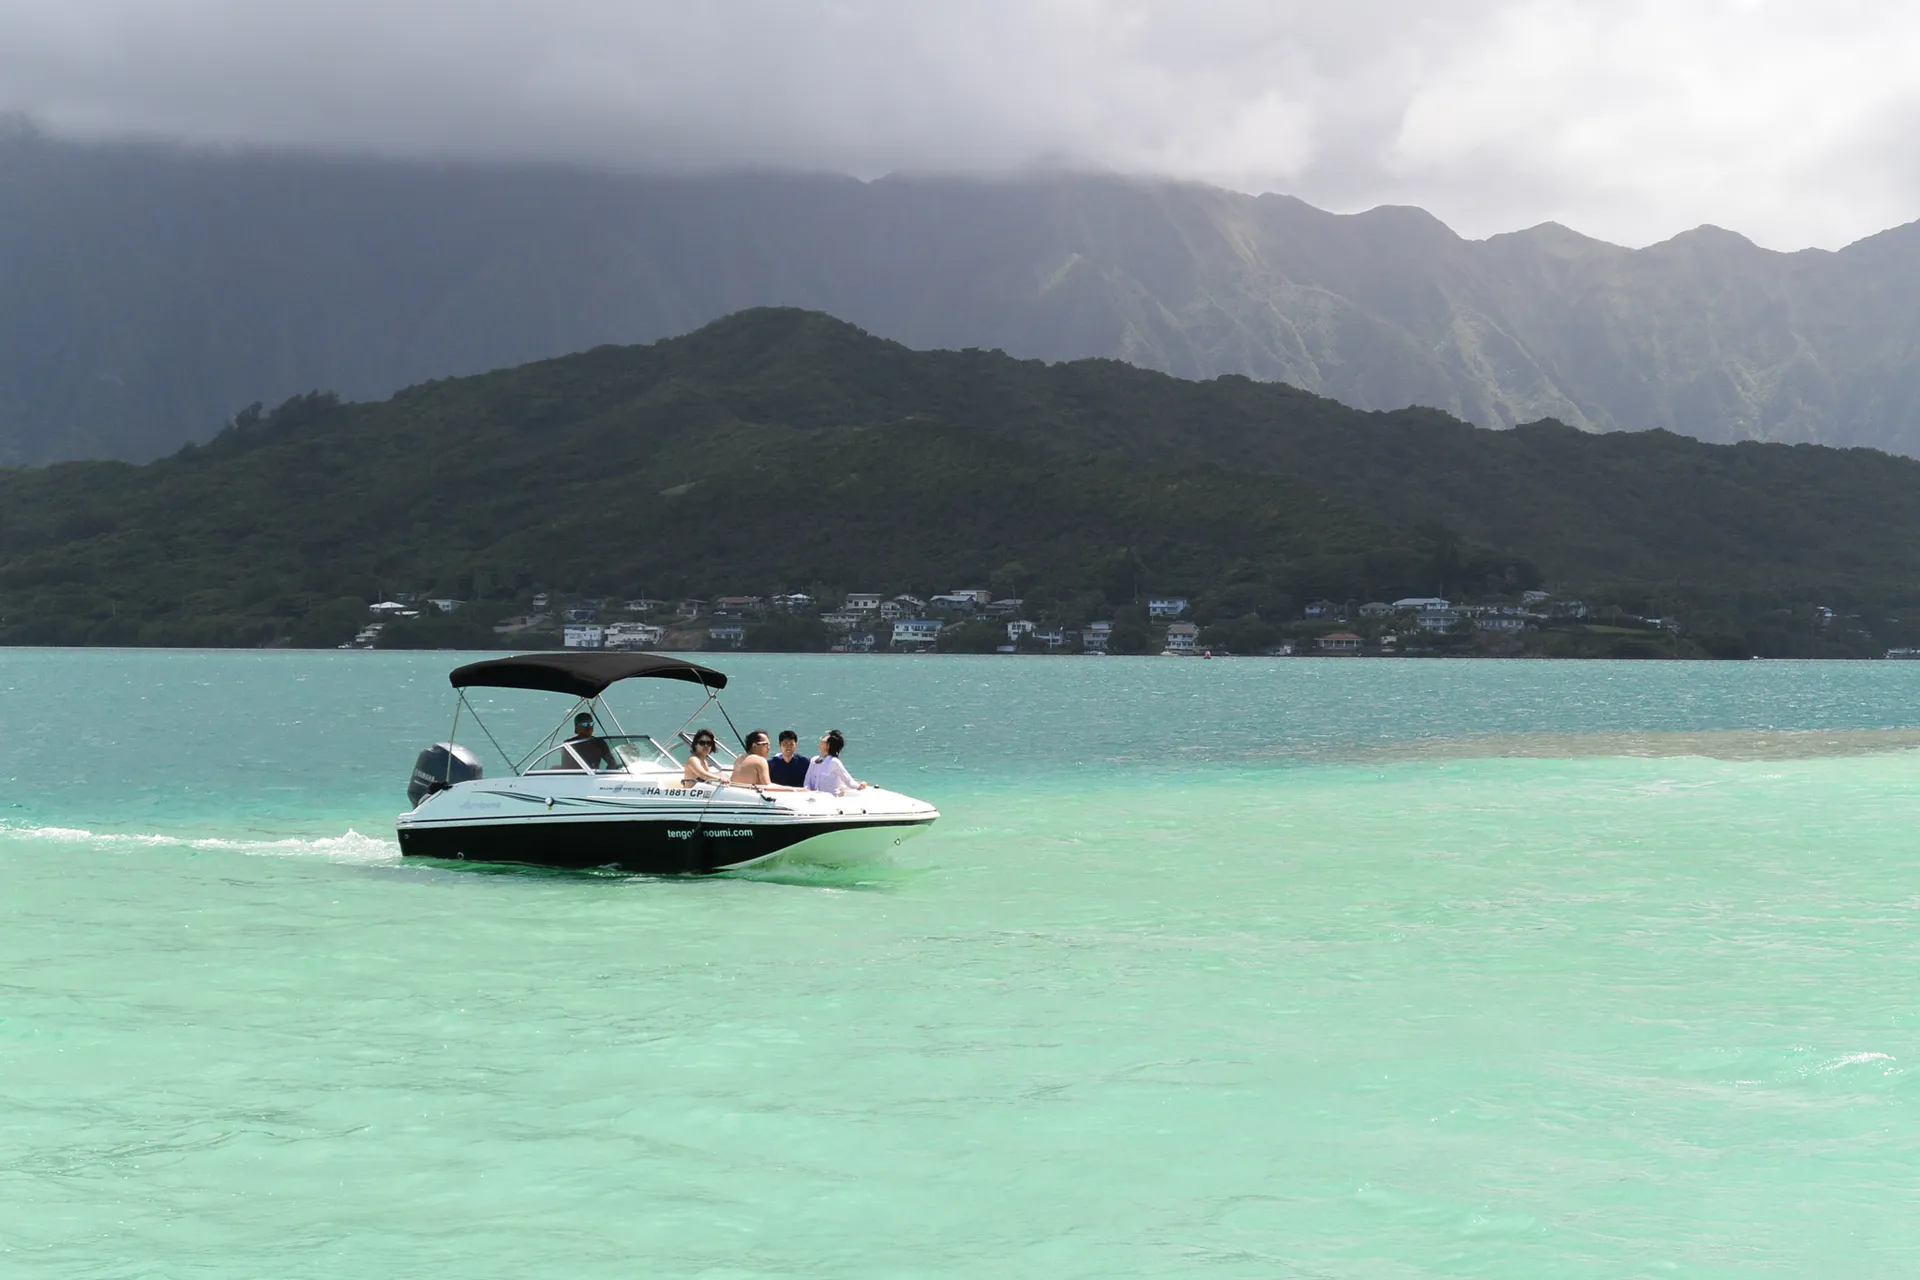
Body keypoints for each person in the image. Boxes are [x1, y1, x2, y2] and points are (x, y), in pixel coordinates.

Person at [730, 729, 802, 790]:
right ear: (754, 745)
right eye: (766, 744)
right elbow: (767, 786)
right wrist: (795, 789)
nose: (768, 747)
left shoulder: (739, 758)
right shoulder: (760, 761)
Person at [805, 729, 870, 796]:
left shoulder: (834, 762)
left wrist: (860, 786)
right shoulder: (814, 760)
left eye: (825, 739)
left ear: (829, 745)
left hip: (830, 799)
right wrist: (809, 794)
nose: (822, 739)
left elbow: (848, 781)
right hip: (813, 799)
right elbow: (807, 780)